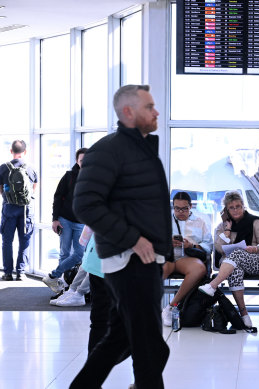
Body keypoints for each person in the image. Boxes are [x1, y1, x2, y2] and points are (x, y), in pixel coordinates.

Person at [70, 84, 172, 389]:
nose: (156, 112)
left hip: (144, 259)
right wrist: (133, 240)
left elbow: (146, 208)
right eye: (149, 107)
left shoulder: (139, 149)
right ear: (128, 112)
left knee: (122, 338)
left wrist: (163, 254)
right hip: (128, 259)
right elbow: (84, 204)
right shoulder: (108, 150)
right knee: (149, 347)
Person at [198, 191, 259, 328]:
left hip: (256, 262)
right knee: (235, 268)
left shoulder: (256, 222)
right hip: (231, 265)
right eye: (232, 207)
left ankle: (213, 285)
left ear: (243, 206)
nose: (236, 210)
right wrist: (227, 231)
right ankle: (244, 315)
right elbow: (220, 248)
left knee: (237, 253)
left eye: (238, 206)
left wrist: (256, 249)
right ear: (226, 210)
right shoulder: (221, 227)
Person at [161, 191, 211, 327]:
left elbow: (209, 245)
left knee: (199, 269)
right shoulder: (165, 221)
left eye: (184, 208)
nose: (180, 212)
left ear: (190, 207)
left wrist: (192, 245)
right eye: (177, 208)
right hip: (168, 256)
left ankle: (171, 306)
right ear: (173, 207)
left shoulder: (200, 222)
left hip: (187, 258)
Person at [42, 147, 88, 293]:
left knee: (79, 254)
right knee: (64, 253)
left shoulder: (94, 178)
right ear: (77, 161)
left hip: (81, 223)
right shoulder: (69, 176)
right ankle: (63, 284)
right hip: (65, 220)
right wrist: (55, 219)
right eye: (82, 160)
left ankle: (53, 276)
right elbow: (57, 198)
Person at [0, 140, 38, 281]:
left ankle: (8, 273)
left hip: (9, 208)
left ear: (11, 151)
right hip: (26, 209)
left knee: (7, 241)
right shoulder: (31, 168)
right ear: (25, 152)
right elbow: (34, 187)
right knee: (25, 240)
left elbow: (0, 189)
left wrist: (7, 198)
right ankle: (21, 272)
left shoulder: (3, 167)